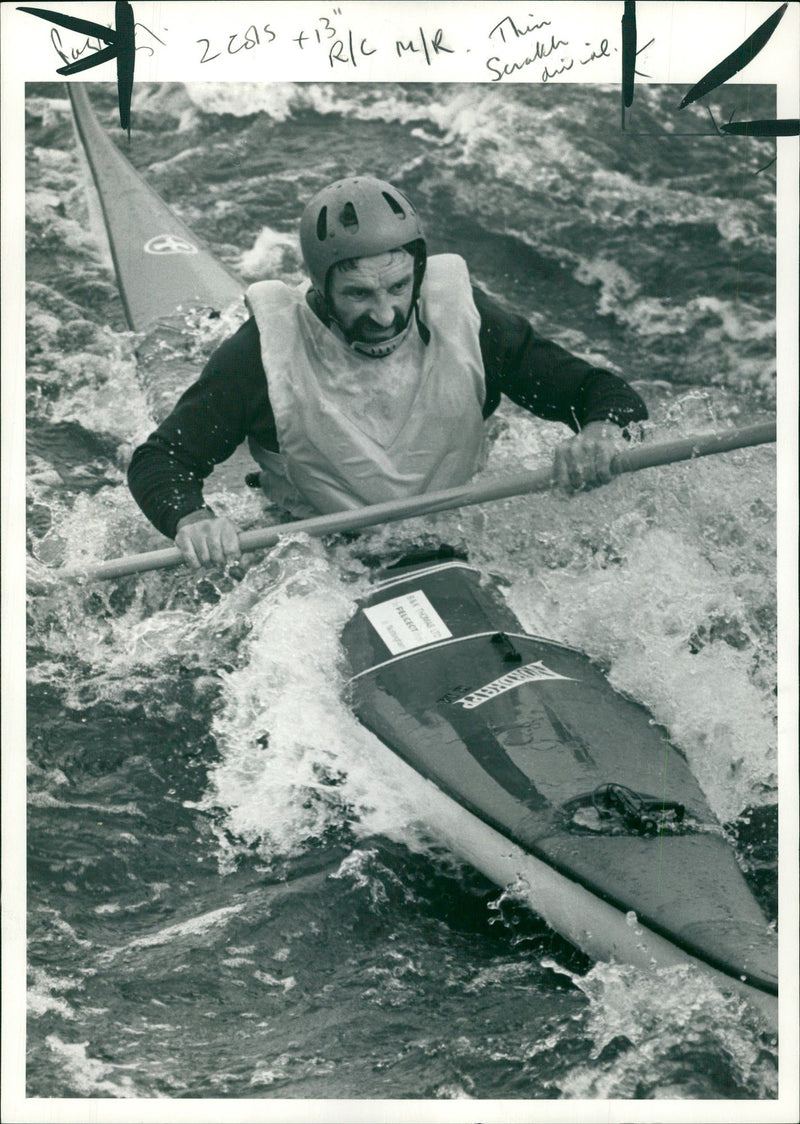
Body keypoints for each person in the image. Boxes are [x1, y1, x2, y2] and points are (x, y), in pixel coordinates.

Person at [128, 176, 648, 570]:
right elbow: (162, 460)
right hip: (323, 555)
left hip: (457, 535)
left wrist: (599, 433)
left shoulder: (472, 322)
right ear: (320, 287)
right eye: (358, 294)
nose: (384, 315)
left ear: (417, 273)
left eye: (398, 288)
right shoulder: (260, 356)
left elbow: (600, 393)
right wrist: (194, 520)